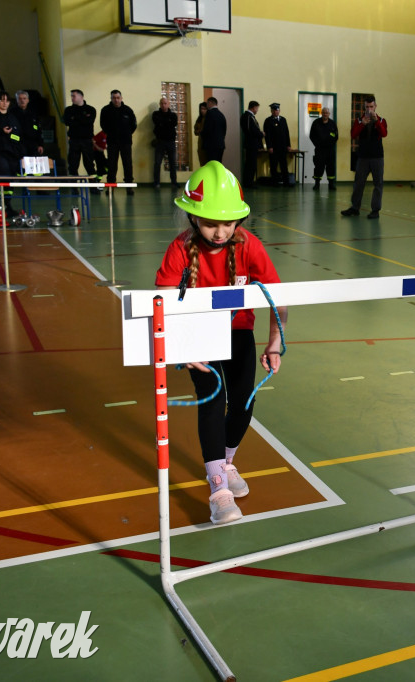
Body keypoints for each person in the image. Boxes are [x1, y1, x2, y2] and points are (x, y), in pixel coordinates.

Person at [155, 161, 288, 525]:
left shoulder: (249, 246)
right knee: (213, 401)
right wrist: (185, 347)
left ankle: (226, 463)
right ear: (193, 218)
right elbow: (163, 303)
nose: (219, 232)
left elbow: (279, 299)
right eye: (211, 223)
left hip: (240, 332)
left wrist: (274, 342)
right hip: (200, 336)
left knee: (243, 402)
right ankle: (218, 489)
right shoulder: (180, 250)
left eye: (227, 223)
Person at [342, 96, 388, 219]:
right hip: (362, 157)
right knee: (358, 183)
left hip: (377, 157)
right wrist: (362, 124)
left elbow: (384, 134)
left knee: (378, 184)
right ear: (364, 107)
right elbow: (353, 134)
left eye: (371, 106)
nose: (369, 109)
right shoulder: (358, 120)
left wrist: (376, 121)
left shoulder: (382, 120)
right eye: (367, 107)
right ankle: (355, 208)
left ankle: (375, 210)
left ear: (375, 106)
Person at [100, 90, 137, 195]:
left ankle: (129, 187)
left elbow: (133, 125)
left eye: (118, 97)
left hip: (126, 142)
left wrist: (126, 134)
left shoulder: (128, 110)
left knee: (128, 164)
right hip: (112, 142)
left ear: (121, 98)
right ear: (111, 99)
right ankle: (110, 187)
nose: (116, 100)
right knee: (111, 165)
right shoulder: (106, 110)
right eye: (114, 98)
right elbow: (103, 125)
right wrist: (111, 134)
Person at [63, 89, 97, 177]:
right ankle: (74, 189)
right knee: (73, 165)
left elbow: (89, 121)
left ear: (81, 97)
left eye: (74, 96)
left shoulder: (91, 109)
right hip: (74, 140)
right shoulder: (68, 110)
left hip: (87, 140)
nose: (72, 98)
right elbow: (67, 122)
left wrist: (74, 118)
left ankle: (94, 188)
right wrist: (82, 118)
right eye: (71, 96)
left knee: (89, 164)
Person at [263, 102, 294, 187]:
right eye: (274, 110)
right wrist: (269, 146)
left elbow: (286, 133)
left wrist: (288, 145)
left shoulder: (283, 120)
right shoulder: (268, 121)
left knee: (284, 165)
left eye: (277, 110)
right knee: (273, 165)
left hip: (283, 147)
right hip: (274, 147)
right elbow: (267, 135)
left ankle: (286, 182)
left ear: (279, 111)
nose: (276, 112)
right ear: (271, 111)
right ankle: (274, 183)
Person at [309, 106, 338, 190]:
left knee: (331, 166)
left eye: (327, 113)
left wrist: (330, 144)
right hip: (319, 150)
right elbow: (312, 135)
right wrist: (317, 144)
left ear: (329, 114)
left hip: (330, 150)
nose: (325, 114)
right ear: (321, 113)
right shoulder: (316, 123)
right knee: (318, 166)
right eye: (324, 112)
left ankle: (331, 184)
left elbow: (336, 136)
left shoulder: (333, 123)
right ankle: (317, 184)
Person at [152, 96, 179, 188]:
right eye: (162, 103)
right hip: (160, 141)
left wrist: (162, 123)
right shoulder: (155, 114)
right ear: (160, 104)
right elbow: (157, 122)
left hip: (170, 142)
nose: (163, 105)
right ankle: (156, 182)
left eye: (165, 103)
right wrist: (166, 122)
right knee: (157, 163)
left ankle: (174, 182)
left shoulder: (173, 115)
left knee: (173, 163)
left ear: (168, 104)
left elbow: (173, 123)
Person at [10, 90, 43, 157]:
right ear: (17, 100)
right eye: (20, 99)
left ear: (28, 100)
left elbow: (38, 130)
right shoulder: (11, 113)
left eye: (24, 98)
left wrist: (40, 144)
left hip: (32, 145)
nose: (22, 101)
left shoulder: (33, 113)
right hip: (18, 145)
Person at [239, 101, 265, 188]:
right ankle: (248, 182)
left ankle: (249, 181)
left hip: (252, 144)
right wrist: (261, 134)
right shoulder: (248, 116)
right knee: (251, 164)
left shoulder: (249, 117)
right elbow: (251, 130)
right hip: (251, 144)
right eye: (257, 108)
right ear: (253, 107)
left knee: (251, 164)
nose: (257, 110)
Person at [201, 97, 226, 164]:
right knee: (218, 164)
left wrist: (202, 135)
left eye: (207, 103)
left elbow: (207, 129)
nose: (207, 106)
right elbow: (224, 130)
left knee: (211, 165)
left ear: (210, 103)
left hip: (211, 145)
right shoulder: (221, 115)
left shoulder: (209, 114)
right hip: (220, 144)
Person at [193, 101, 208, 168]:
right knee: (202, 163)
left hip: (207, 143)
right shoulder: (199, 119)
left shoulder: (209, 119)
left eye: (204, 109)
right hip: (201, 142)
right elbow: (195, 131)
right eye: (201, 109)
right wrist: (198, 131)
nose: (202, 111)